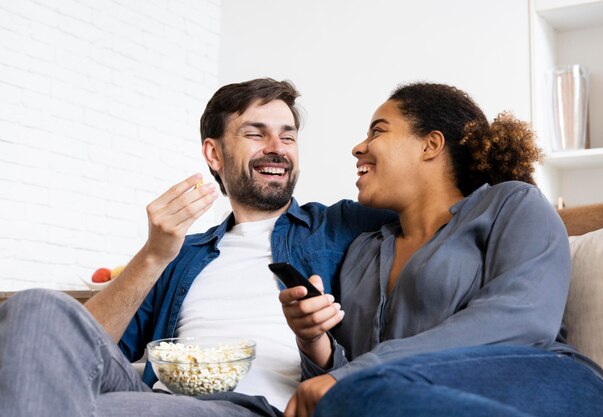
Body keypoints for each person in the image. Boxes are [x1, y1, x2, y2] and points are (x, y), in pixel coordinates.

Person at [0, 78, 396, 417]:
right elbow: (84, 349)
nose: (278, 147)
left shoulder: (341, 225)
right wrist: (154, 254)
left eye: (288, 135)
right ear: (214, 153)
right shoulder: (181, 253)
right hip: (162, 400)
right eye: (256, 133)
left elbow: (440, 206)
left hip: (252, 407)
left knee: (93, 408)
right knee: (37, 306)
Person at [279, 82, 603, 417]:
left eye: (378, 132)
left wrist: (351, 379)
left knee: (361, 395)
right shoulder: (364, 251)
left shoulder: (512, 204)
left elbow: (522, 321)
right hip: (405, 396)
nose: (358, 148)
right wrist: (314, 341)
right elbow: (342, 375)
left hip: (548, 386)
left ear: (430, 145)